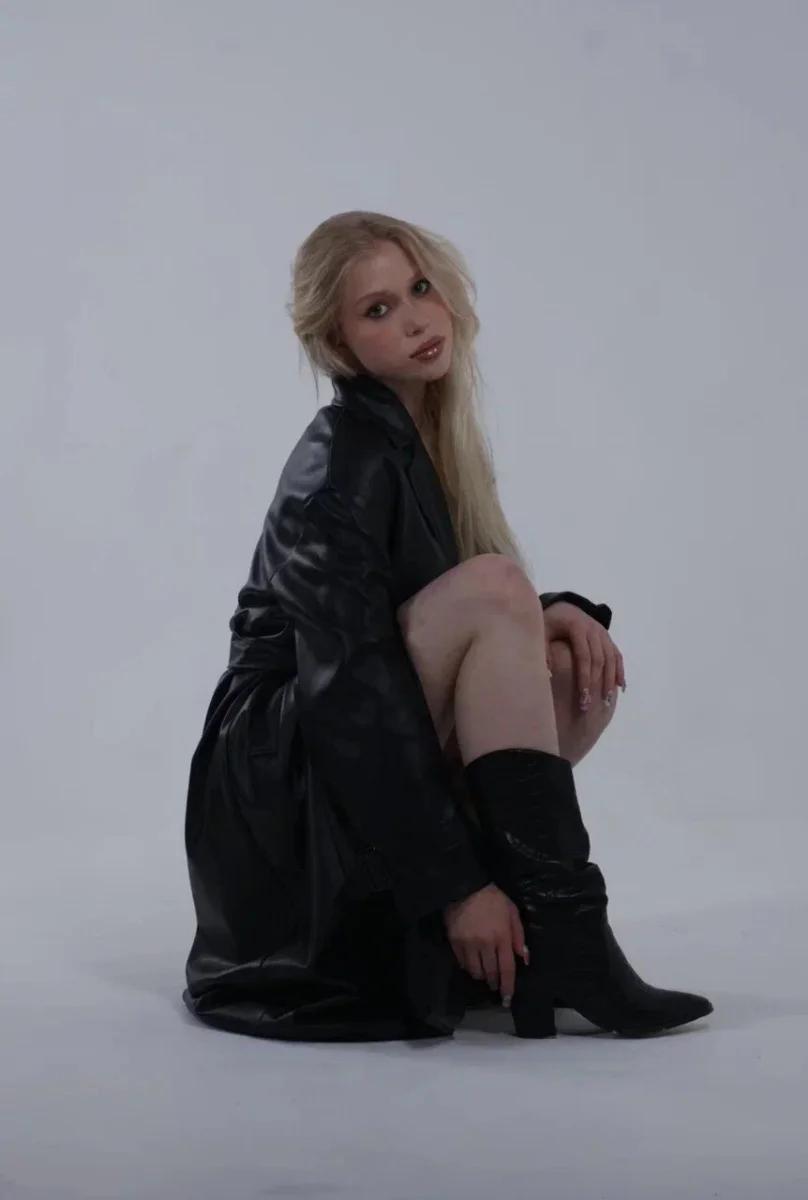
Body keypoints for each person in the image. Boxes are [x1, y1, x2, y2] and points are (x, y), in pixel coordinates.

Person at [182, 210, 713, 1042]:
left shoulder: (422, 436)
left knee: (566, 670)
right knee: (500, 590)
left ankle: (541, 938)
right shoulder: (341, 457)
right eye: (378, 310)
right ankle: (556, 931)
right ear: (338, 342)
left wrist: (549, 609)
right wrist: (454, 885)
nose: (416, 320)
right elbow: (350, 683)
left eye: (420, 289)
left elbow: (417, 603)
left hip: (346, 725)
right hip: (281, 772)